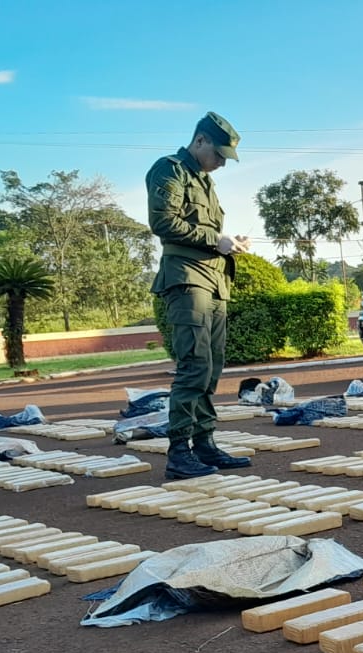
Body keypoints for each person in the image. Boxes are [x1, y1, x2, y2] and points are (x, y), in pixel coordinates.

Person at [147, 111, 254, 479]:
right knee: (193, 365)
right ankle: (179, 453)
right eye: (220, 154)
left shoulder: (205, 181)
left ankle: (204, 444)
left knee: (211, 367)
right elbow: (163, 222)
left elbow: (205, 230)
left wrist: (230, 242)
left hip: (213, 280)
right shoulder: (170, 169)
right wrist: (216, 240)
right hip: (186, 279)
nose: (222, 162)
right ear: (200, 141)